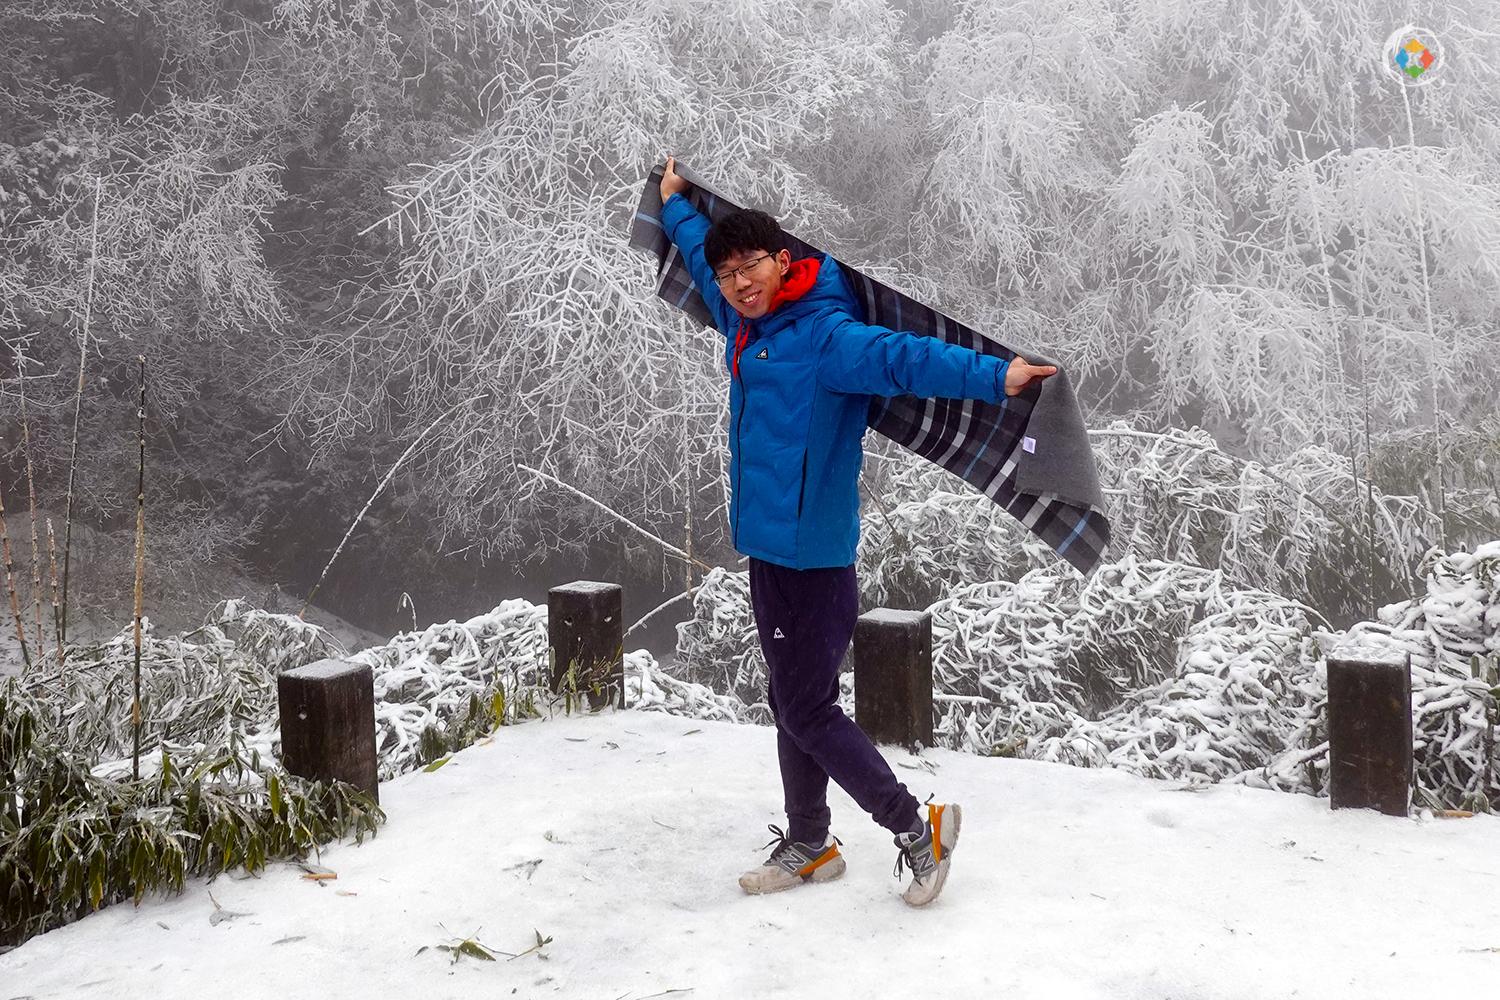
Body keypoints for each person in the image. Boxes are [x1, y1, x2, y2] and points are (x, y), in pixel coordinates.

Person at [657, 156, 1057, 907]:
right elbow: (703, 266)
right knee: (790, 698)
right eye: (730, 273)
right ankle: (808, 840)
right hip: (766, 551)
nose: (739, 284)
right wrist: (677, 204)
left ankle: (915, 827)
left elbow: (905, 359)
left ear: (785, 262)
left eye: (752, 268)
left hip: (814, 559)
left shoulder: (827, 335)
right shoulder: (745, 319)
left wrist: (997, 375)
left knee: (807, 708)